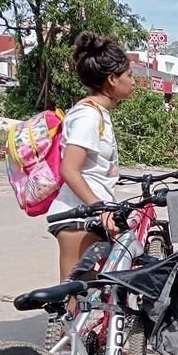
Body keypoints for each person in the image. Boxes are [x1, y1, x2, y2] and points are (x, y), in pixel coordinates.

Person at [48, 32, 134, 283]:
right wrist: (100, 209)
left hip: (91, 216)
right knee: (74, 302)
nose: (133, 82)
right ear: (112, 79)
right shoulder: (87, 116)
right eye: (128, 75)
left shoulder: (99, 113)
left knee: (93, 294)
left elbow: (96, 168)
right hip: (78, 218)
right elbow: (70, 170)